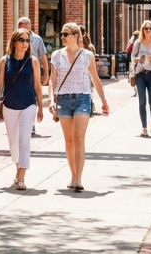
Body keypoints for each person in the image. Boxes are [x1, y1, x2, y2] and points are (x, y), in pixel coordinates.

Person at [49, 22, 110, 192]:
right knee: (69, 141)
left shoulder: (87, 55)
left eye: (65, 34)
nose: (62, 37)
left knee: (79, 138)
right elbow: (52, 80)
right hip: (63, 99)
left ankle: (78, 179)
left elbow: (95, 79)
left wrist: (103, 100)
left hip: (82, 98)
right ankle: (73, 175)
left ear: (75, 36)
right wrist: (52, 100)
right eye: (62, 34)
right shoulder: (56, 55)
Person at [0, 29, 43, 191]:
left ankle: (21, 177)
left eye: (27, 40)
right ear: (14, 41)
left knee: (24, 140)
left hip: (29, 104)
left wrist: (41, 107)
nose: (24, 43)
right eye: (21, 40)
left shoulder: (33, 61)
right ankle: (18, 167)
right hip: (9, 104)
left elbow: (37, 86)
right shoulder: (5, 60)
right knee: (13, 142)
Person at [130, 21, 151, 137]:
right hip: (140, 74)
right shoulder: (138, 43)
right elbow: (132, 58)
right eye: (146, 28)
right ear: (142, 30)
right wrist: (139, 59)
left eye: (150, 28)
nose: (148, 30)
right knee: (142, 101)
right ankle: (144, 127)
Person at [17, 17, 48, 137]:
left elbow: (43, 57)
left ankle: (30, 123)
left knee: (31, 95)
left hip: (32, 71)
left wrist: (45, 74)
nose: (20, 28)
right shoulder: (15, 38)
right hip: (17, 72)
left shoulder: (37, 39)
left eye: (22, 26)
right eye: (19, 26)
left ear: (28, 26)